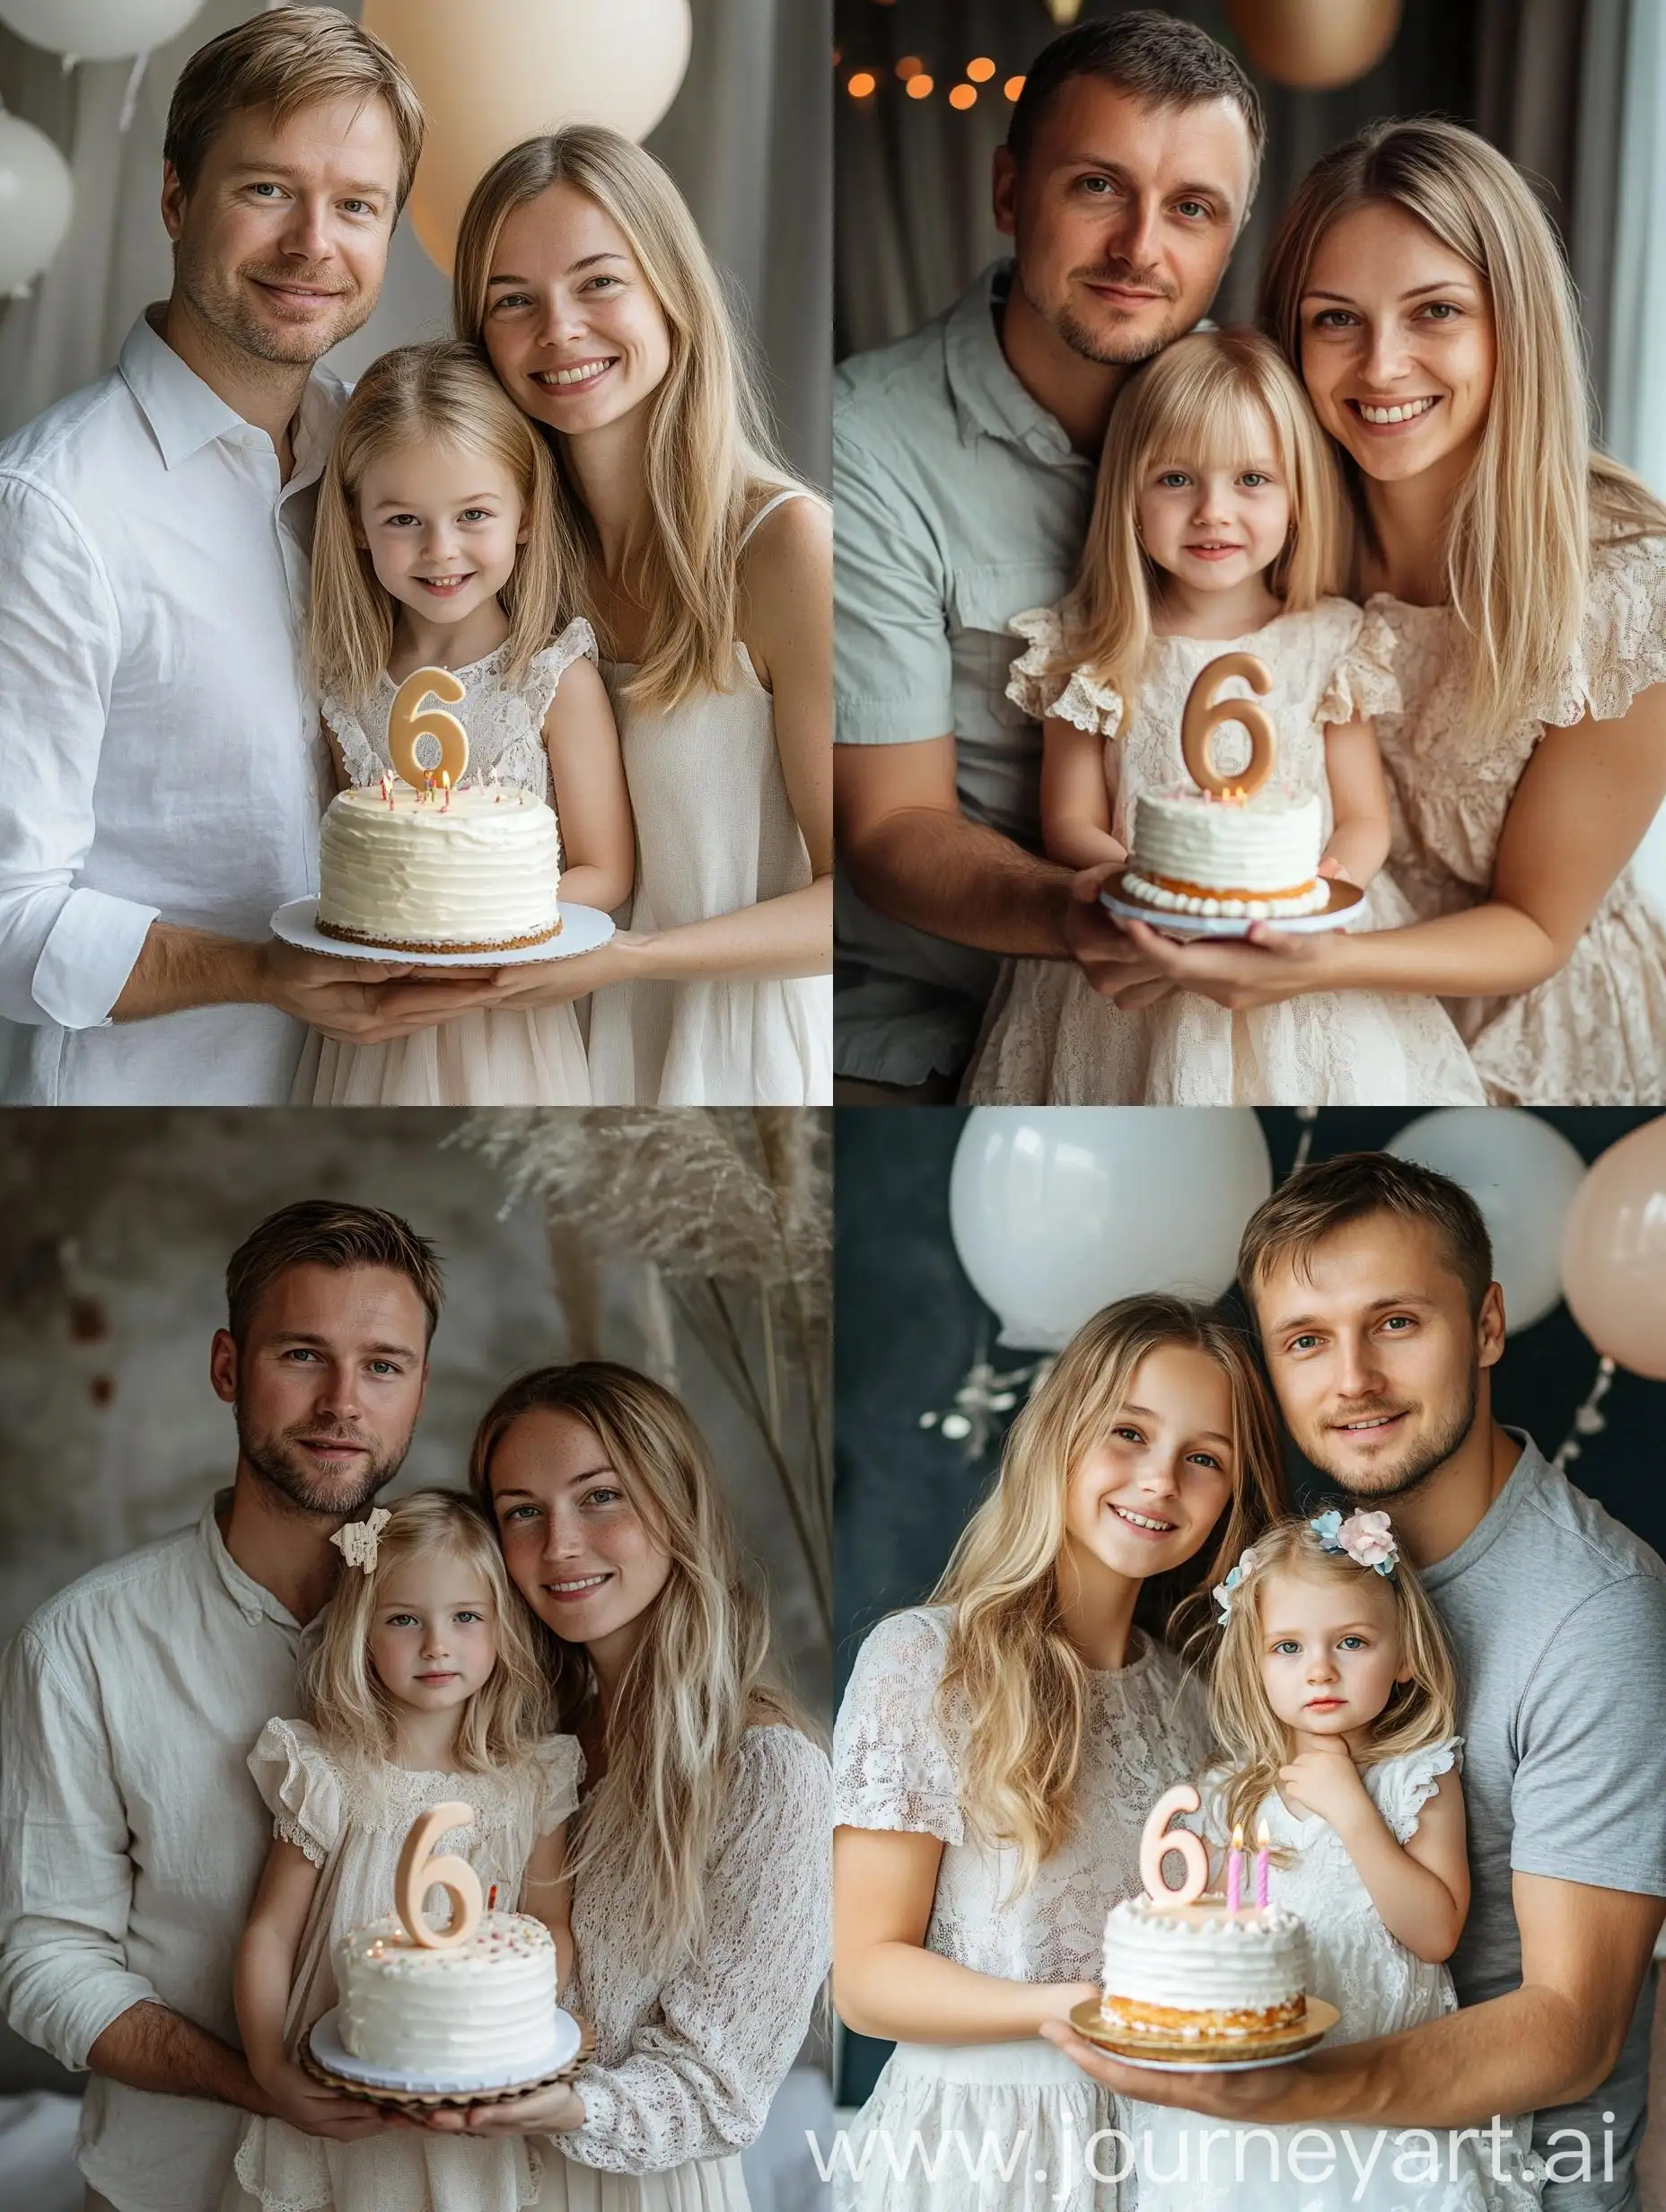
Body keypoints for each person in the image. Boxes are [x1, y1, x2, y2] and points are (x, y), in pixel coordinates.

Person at [1044, 1152, 1666, 2212]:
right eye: (1304, 1341)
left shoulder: (1595, 1612)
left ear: (1482, 1326)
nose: (1351, 1380)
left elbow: (1571, 2025)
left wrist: (1285, 2094)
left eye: (1395, 1322)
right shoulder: (1278, 1561)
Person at [1076, 121, 1666, 1103]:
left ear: (1511, 325)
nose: (1380, 367)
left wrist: (1317, 960)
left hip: (1536, 1032)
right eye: (1335, 319)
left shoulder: (1627, 592)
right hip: (1321, 1018)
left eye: (1433, 311)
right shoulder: (1274, 531)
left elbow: (1534, 928)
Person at [0, 8, 467, 1105]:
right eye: (267, 190)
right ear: (175, 198)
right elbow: (8, 914)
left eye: (355, 206)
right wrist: (260, 972)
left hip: (396, 1096)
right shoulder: (49, 511)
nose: (315, 243)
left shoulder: (391, 472)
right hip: (147, 1114)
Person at [833, 12, 1264, 1101]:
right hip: (935, 1036)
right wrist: (1077, 914)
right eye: (1096, 187)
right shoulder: (863, 443)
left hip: (1221, 1019)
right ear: (1008, 192)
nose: (1139, 250)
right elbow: (890, 826)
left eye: (1191, 210)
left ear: (1230, 236)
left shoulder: (1267, 422)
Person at [0, 1201, 443, 2212]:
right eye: (301, 1354)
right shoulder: (79, 1647)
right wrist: (255, 2084)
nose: (343, 1402)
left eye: (382, 1365)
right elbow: (46, 1957)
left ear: (417, 1388)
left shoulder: (481, 1629)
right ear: (226, 1367)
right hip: (175, 2185)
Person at [402, 126, 831, 1106]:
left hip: (733, 1052)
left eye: (598, 282)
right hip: (554, 1050)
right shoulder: (504, 573)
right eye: (514, 301)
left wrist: (633, 958)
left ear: (669, 292)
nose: (558, 329)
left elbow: (856, 903)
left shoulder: (784, 548)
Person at [830, 1295, 1288, 2212]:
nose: (1159, 1480)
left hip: (1164, 2147)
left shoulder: (1199, 1706)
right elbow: (866, 1977)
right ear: (1057, 1436)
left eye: (1203, 1459)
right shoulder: (926, 1662)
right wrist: (1066, 2008)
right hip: (981, 2145)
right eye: (1128, 1432)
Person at [966, 327, 1483, 1104]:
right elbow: (1071, 820)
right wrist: (1143, 893)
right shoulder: (1093, 648)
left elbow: (1365, 818)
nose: (1214, 511)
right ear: (1128, 501)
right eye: (1176, 479)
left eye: (1251, 479)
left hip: (1305, 947)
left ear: (1298, 496)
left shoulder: (1331, 641)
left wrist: (1322, 889)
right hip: (1139, 950)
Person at [425, 1362, 830, 2208]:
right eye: (522, 1513)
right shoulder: (528, 1746)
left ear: (673, 1503)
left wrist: (565, 2105)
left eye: (599, 1496)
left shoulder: (768, 1773)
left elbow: (723, 2086)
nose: (560, 1544)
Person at [1134, 1505, 1541, 2211]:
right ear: (1254, 1661)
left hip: (1383, 2105)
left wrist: (1352, 1808)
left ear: (1404, 1654)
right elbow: (1217, 1950)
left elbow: (1435, 1932)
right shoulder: (1226, 1795)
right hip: (1251, 2120)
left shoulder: (1416, 1777)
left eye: (1351, 1641)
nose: (1319, 1669)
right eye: (1287, 1647)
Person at [300, 341, 633, 1105]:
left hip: (504, 1021)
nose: (440, 550)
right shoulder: (345, 689)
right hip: (373, 1028)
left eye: (473, 515)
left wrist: (456, 935)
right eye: (404, 519)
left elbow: (607, 871)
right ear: (355, 523)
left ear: (523, 514)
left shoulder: (553, 680)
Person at [232, 1489, 582, 2212]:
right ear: (362, 1631)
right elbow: (271, 1931)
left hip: (469, 2105)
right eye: (403, 1620)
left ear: (499, 1629)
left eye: (465, 1618)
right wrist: (268, 2066)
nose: (436, 1645)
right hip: (339, 2094)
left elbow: (550, 1922)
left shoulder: (530, 1782)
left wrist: (508, 2029)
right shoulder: (331, 1773)